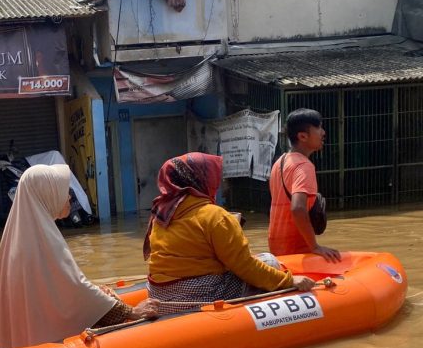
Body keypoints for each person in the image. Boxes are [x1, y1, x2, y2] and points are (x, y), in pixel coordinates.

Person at [0, 163, 159, 348]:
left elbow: (62, 289)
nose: (69, 196)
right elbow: (74, 289)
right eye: (63, 191)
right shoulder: (43, 238)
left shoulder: (17, 237)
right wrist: (132, 311)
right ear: (47, 195)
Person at [144, 152, 315, 312]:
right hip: (196, 297)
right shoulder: (214, 215)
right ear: (201, 179)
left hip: (159, 296)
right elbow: (245, 267)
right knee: (269, 261)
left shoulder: (160, 215)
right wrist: (289, 281)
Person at [268, 108, 341, 262]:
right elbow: (298, 208)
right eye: (319, 127)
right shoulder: (304, 166)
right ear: (302, 136)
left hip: (277, 247)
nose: (323, 133)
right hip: (297, 250)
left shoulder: (280, 162)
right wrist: (315, 247)